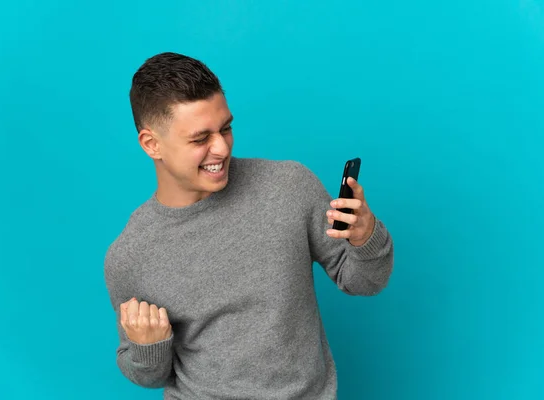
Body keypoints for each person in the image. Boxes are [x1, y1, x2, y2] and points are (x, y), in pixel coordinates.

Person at [103, 52, 394, 400]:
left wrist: (366, 238)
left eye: (225, 128)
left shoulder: (288, 187)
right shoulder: (130, 255)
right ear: (152, 144)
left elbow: (365, 283)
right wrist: (147, 348)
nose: (221, 147)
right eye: (200, 139)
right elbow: (147, 374)